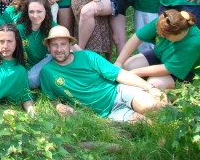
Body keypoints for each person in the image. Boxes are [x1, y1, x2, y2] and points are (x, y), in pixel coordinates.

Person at [39, 26, 167, 122]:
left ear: (70, 45)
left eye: (63, 44)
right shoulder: (47, 72)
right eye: (54, 45)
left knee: (152, 107)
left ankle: (172, 114)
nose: (59, 49)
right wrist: (58, 106)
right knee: (145, 123)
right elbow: (51, 99)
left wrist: (149, 87)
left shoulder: (88, 56)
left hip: (118, 92)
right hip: (108, 112)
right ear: (49, 48)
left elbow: (119, 74)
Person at [114, 10, 200, 90]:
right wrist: (119, 62)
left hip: (187, 71)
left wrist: (135, 73)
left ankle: (179, 94)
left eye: (166, 36)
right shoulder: (164, 20)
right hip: (163, 56)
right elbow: (138, 37)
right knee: (128, 65)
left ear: (180, 33)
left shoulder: (194, 42)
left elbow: (168, 68)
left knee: (154, 84)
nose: (162, 37)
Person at [16, 0, 59, 89]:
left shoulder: (50, 25)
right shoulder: (20, 29)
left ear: (46, 11)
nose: (35, 16)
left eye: (39, 11)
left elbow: (67, 42)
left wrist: (84, 55)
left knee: (63, 52)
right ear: (27, 12)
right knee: (30, 81)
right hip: (27, 71)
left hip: (45, 63)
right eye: (31, 12)